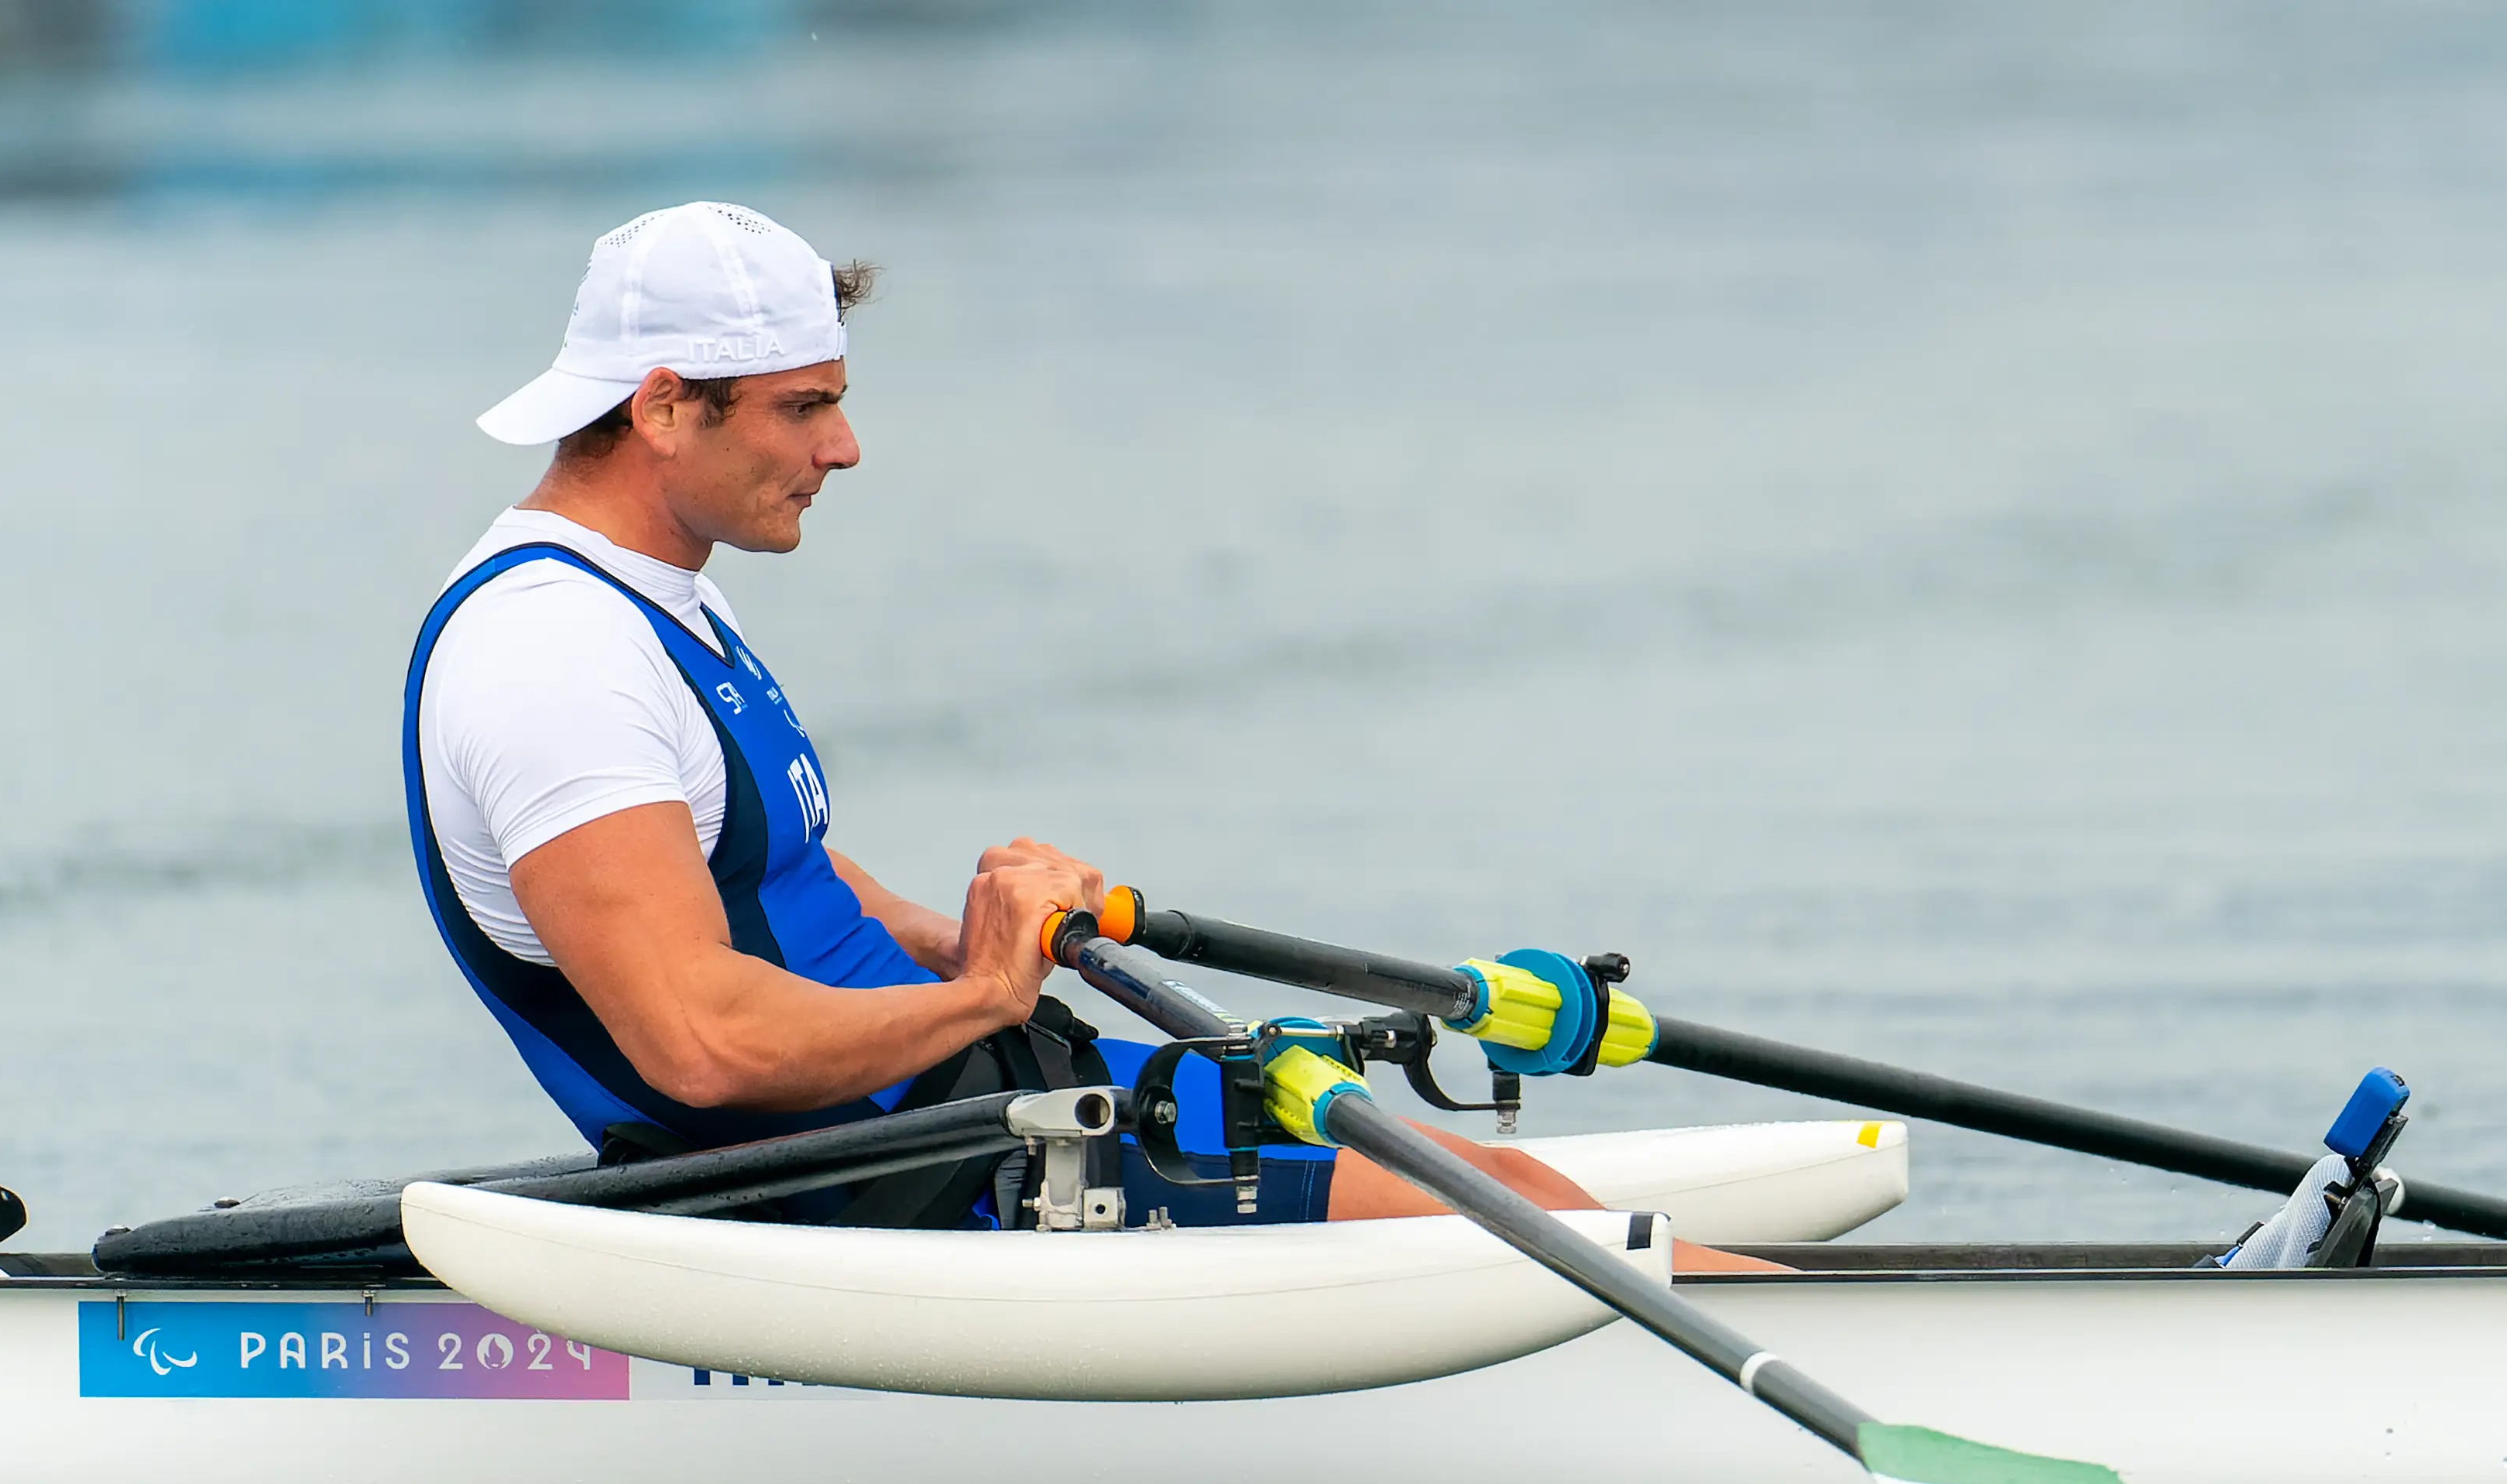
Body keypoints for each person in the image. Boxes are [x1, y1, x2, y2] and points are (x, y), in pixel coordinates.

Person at [406, 200, 1778, 1267]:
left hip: (956, 1106)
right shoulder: (552, 654)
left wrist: (979, 939)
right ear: (661, 406)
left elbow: (772, 880)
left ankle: (1755, 1301)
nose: (845, 447)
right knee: (1506, 1223)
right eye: (804, 407)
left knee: (1508, 1187)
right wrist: (981, 998)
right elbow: (698, 1041)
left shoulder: (651, 600)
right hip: (897, 1185)